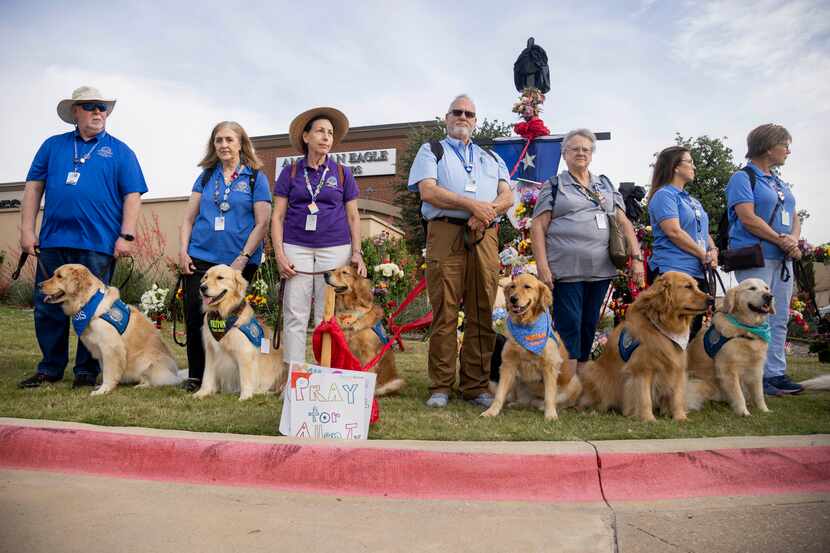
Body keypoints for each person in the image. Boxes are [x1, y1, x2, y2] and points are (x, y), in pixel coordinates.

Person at [18, 86, 147, 389]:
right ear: (75, 112)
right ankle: (50, 368)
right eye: (90, 106)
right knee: (48, 304)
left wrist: (126, 235)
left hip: (97, 244)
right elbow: (33, 188)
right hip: (53, 241)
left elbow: (133, 195)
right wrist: (26, 230)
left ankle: (86, 372)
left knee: (93, 310)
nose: (98, 112)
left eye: (102, 107)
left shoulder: (120, 151)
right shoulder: (53, 146)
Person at [407, 94, 514, 408]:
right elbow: (428, 190)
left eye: (469, 113)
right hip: (445, 232)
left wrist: (486, 213)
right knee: (446, 310)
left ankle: (475, 385)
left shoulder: (492, 158)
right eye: (457, 112)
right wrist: (472, 206)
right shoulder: (432, 150)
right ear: (447, 117)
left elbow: (507, 196)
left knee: (482, 309)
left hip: (485, 236)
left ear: (476, 121)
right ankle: (440, 385)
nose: (463, 117)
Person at [531, 128, 644, 381]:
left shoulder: (604, 183)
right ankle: (564, 383)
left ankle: (580, 383)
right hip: (567, 270)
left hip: (601, 269)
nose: (581, 153)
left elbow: (623, 222)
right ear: (565, 154)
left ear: (592, 154)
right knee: (569, 325)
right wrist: (542, 267)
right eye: (575, 149)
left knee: (589, 324)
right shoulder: (555, 185)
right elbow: (538, 226)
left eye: (586, 149)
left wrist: (636, 258)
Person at [178, 121, 272, 392]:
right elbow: (188, 219)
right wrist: (183, 251)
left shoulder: (255, 177)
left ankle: (235, 376)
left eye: (229, 139)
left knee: (233, 319)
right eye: (218, 140)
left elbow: (262, 223)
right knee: (198, 318)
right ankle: (198, 376)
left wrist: (243, 258)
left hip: (237, 263)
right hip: (201, 259)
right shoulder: (206, 176)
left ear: (241, 143)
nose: (224, 145)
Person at [271, 107, 366, 367]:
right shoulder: (290, 172)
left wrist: (356, 252)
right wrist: (279, 254)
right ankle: (294, 375)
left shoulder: (343, 173)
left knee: (327, 314)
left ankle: (326, 373)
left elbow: (353, 217)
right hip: (296, 247)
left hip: (335, 248)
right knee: (295, 312)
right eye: (320, 131)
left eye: (330, 133)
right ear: (306, 137)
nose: (326, 137)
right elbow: (277, 216)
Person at [726, 124, 802, 396]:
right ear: (768, 147)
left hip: (782, 259)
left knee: (779, 317)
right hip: (756, 257)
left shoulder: (780, 182)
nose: (788, 151)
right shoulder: (743, 178)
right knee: (754, 317)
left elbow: (794, 216)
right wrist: (779, 239)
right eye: (784, 145)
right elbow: (747, 217)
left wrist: (792, 239)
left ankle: (775, 373)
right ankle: (752, 376)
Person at [647, 146, 717, 338]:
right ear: (675, 167)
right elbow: (674, 232)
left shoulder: (693, 201)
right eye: (690, 162)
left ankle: (682, 368)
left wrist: (713, 250)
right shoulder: (664, 195)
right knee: (668, 332)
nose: (694, 166)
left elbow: (703, 232)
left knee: (690, 331)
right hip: (673, 271)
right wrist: (702, 254)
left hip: (696, 272)